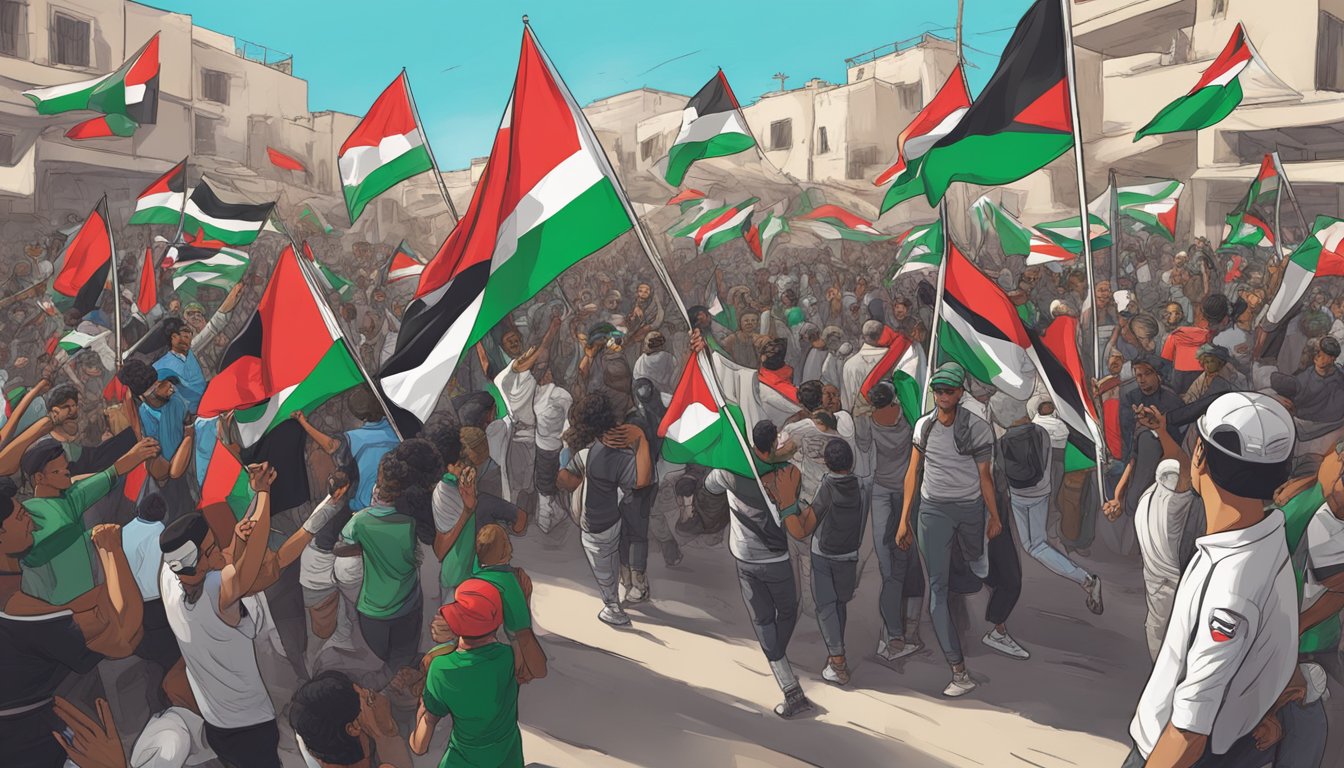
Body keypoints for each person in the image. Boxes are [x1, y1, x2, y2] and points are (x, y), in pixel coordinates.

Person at [1125, 393, 1299, 767]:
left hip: (1167, 753)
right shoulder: (1266, 540)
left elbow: (1189, 732)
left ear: (1200, 456)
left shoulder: (1229, 587)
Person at [1, 478, 146, 768]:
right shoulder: (16, 609)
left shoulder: (16, 598)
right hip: (32, 746)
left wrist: (102, 597)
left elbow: (67, 610)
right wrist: (111, 551)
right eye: (20, 516)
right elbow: (124, 637)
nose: (30, 518)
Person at [158, 464, 280, 768]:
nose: (220, 555)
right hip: (252, 723)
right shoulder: (214, 589)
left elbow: (230, 557)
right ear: (196, 565)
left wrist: (236, 539)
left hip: (217, 722)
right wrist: (262, 493)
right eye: (211, 550)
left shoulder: (169, 580)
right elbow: (250, 562)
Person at [897, 362, 1006, 697]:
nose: (943, 396)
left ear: (960, 393)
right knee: (938, 591)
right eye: (938, 390)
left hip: (970, 508)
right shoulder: (923, 427)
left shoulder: (977, 428)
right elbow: (913, 472)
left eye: (949, 390)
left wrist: (994, 516)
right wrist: (904, 519)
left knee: (975, 566)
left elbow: (985, 477)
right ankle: (958, 670)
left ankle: (973, 565)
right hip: (932, 511)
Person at [704, 419, 814, 718]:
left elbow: (709, 485)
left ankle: (781, 670)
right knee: (788, 610)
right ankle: (784, 674)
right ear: (774, 443)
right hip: (776, 556)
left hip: (744, 556)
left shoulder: (731, 472)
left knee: (763, 619)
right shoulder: (788, 472)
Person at [334, 440, 440, 682]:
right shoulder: (411, 522)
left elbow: (340, 547)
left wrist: (363, 546)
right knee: (401, 659)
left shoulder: (361, 521)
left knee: (387, 661)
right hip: (408, 605)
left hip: (372, 610)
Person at [994, 393, 1103, 614]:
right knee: (1036, 544)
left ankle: (1086, 579)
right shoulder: (1041, 432)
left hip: (1018, 495)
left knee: (1034, 545)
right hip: (1040, 492)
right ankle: (1085, 580)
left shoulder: (1003, 441)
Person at [20, 436, 161, 605]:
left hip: (91, 592)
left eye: (66, 468)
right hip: (59, 603)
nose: (66, 472)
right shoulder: (30, 511)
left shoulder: (72, 497)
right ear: (39, 478)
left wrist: (135, 455)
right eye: (56, 471)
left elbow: (111, 473)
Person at [1107, 406, 1201, 660]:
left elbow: (1177, 468)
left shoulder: (1160, 499)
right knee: (1167, 632)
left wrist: (1161, 431)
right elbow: (1177, 465)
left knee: (1164, 632)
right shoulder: (1163, 499)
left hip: (1164, 578)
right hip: (1165, 578)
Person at [555, 393, 653, 626]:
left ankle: (613, 607)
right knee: (611, 557)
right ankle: (622, 591)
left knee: (603, 566)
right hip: (612, 519)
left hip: (596, 523)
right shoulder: (621, 455)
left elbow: (563, 478)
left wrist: (584, 484)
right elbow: (642, 481)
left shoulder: (587, 451)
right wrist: (640, 440)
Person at [411, 579, 524, 768]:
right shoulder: (509, 657)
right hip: (509, 759)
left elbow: (420, 746)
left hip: (463, 761)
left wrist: (419, 716)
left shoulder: (442, 668)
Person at [780, 438, 864, 686]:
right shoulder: (862, 486)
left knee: (826, 606)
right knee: (839, 604)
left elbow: (807, 525)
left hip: (824, 554)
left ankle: (838, 663)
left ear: (827, 463)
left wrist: (791, 507)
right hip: (849, 553)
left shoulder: (827, 485)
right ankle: (835, 652)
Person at [854, 381, 924, 662]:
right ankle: (908, 630)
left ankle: (894, 634)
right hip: (909, 491)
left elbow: (861, 444)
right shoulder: (909, 418)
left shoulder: (867, 422)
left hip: (882, 490)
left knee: (888, 565)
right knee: (911, 555)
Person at [289, 670, 408, 768]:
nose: (379, 701)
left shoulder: (314, 740)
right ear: (354, 728)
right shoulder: (390, 762)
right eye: (369, 699)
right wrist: (383, 735)